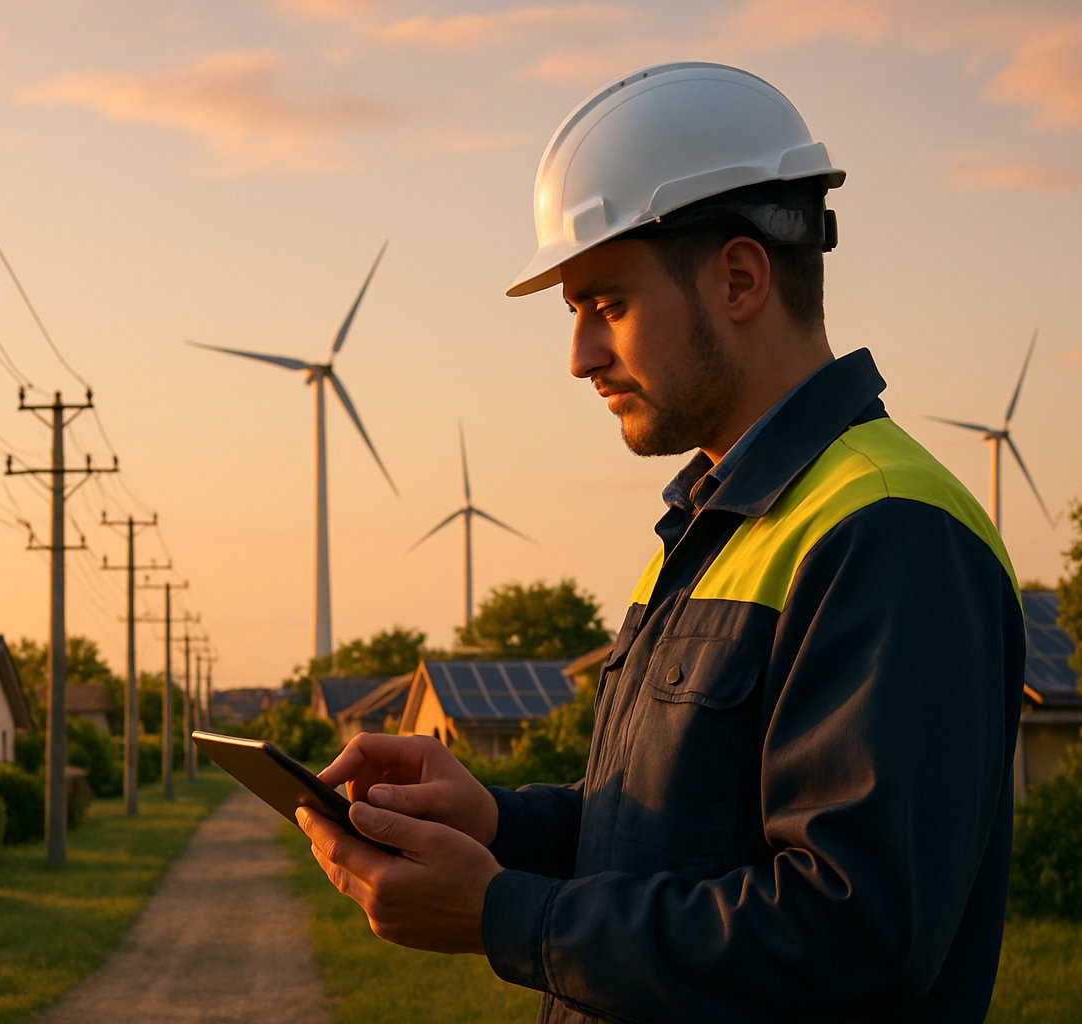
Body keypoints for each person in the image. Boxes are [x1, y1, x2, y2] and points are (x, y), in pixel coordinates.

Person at [296, 61, 1025, 1023]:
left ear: (739, 279)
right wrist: (497, 822)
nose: (579, 358)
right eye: (575, 315)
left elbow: (851, 938)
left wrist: (504, 915)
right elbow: (665, 842)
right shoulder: (713, 528)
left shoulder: (891, 532)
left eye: (609, 306)